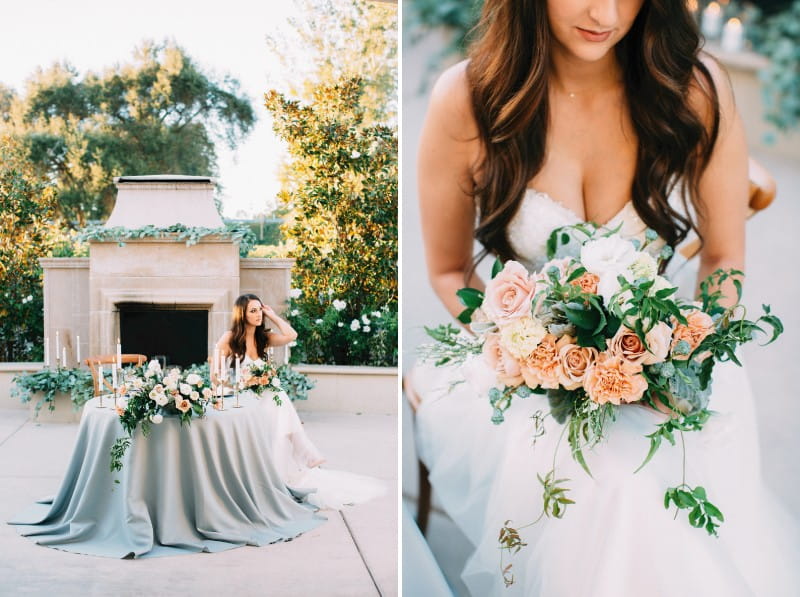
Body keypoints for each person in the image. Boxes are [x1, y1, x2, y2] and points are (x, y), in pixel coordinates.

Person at [406, 0, 799, 595]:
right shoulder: (466, 98)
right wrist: (529, 351)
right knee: (613, 481)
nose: (604, 13)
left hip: (670, 355)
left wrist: (686, 356)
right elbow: (448, 270)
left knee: (644, 479)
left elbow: (723, 258)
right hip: (523, 365)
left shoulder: (692, 86)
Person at [216, 293, 385, 509]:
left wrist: (273, 315)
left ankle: (288, 464)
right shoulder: (229, 338)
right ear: (242, 313)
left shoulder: (263, 338)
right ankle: (304, 451)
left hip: (269, 397)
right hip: (247, 398)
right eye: (253, 311)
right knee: (276, 407)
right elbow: (217, 374)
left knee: (277, 404)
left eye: (260, 310)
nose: (258, 315)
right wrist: (241, 384)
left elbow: (291, 335)